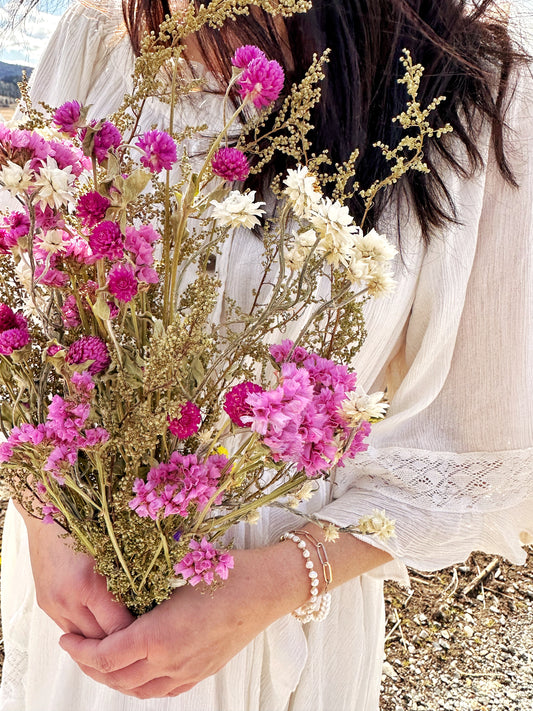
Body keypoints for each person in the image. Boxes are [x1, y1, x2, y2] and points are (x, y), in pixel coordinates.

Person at [1, 0, 532, 709]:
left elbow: (475, 452)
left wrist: (277, 581)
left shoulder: (481, 87)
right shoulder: (103, 36)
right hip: (80, 593)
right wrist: (46, 512)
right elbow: (32, 317)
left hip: (271, 626)